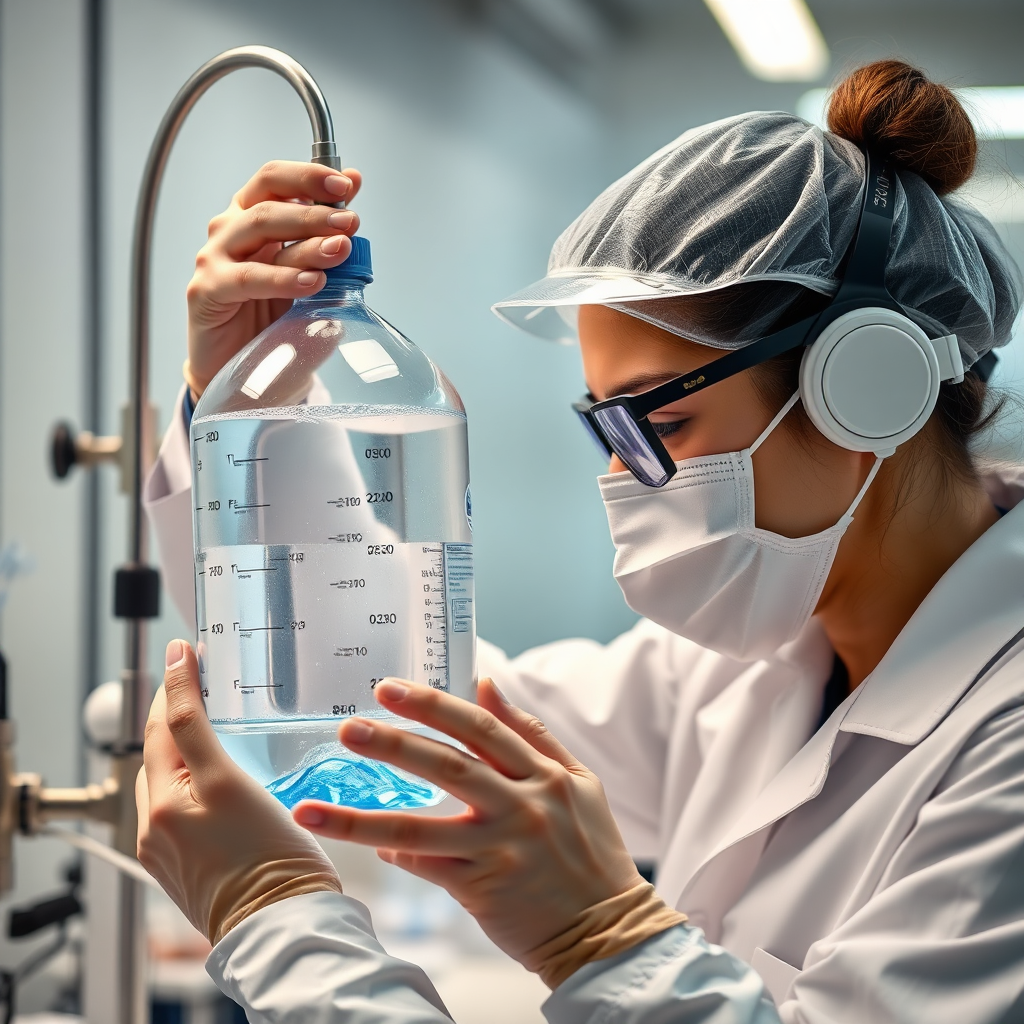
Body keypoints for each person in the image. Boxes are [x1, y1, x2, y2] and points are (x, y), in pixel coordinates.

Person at [139, 60, 1024, 1022]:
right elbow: (404, 699)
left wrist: (595, 937)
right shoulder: (748, 665)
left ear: (867, 389)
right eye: (605, 430)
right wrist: (255, 403)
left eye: (659, 426)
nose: (619, 479)